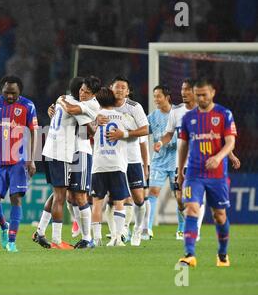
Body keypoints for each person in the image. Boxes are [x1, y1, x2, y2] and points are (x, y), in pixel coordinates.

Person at [177, 78, 237, 267]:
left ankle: (222, 254)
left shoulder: (223, 114)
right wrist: (180, 172)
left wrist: (219, 157)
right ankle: (189, 254)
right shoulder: (188, 118)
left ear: (213, 92)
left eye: (204, 94)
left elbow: (230, 142)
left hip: (217, 175)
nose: (201, 98)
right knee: (191, 209)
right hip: (194, 173)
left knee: (219, 215)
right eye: (198, 94)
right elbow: (184, 145)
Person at [0, 76, 38, 253]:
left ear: (20, 91)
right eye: (7, 92)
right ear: (1, 90)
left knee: (16, 198)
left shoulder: (28, 106)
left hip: (18, 161)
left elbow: (34, 132)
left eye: (14, 93)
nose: (10, 96)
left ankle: (12, 241)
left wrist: (32, 159)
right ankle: (4, 226)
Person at [33, 77, 85, 249]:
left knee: (57, 193)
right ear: (79, 91)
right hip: (60, 153)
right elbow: (88, 129)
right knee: (60, 197)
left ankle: (40, 231)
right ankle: (56, 239)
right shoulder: (74, 107)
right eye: (84, 91)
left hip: (50, 150)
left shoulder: (61, 99)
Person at [99, 76, 149, 246]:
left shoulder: (134, 107)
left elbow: (146, 129)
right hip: (112, 159)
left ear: (128, 91)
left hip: (132, 158)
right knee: (113, 198)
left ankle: (138, 229)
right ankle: (117, 235)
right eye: (116, 87)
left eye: (123, 87)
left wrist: (125, 134)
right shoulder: (104, 107)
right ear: (110, 88)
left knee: (138, 199)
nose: (119, 90)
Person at [58, 76, 101, 249]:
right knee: (69, 195)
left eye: (87, 92)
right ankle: (78, 223)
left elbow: (90, 131)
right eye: (81, 90)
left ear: (94, 95)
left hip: (82, 151)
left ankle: (87, 237)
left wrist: (61, 101)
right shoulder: (80, 101)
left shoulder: (91, 105)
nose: (82, 94)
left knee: (81, 195)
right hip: (68, 151)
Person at [91, 87, 134, 246]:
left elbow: (86, 134)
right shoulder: (123, 117)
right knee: (119, 203)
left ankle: (96, 239)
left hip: (99, 165)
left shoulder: (95, 117)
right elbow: (133, 135)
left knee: (97, 203)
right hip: (117, 164)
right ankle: (117, 237)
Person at [146, 85, 177, 238]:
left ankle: (182, 229)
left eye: (158, 96)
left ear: (167, 97)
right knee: (152, 192)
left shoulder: (178, 113)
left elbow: (184, 137)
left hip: (177, 161)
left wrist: (164, 142)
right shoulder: (153, 116)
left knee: (179, 196)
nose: (156, 99)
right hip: (158, 161)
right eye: (154, 96)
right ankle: (147, 229)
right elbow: (142, 130)